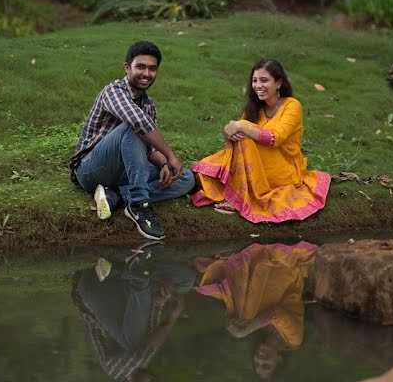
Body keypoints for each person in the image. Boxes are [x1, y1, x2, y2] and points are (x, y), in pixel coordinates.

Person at [71, 40, 195, 241]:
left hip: (124, 171)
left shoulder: (148, 106)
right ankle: (138, 203)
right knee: (133, 125)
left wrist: (164, 163)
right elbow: (137, 123)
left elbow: (145, 149)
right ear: (127, 67)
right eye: (141, 67)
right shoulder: (113, 91)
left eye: (152, 69)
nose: (146, 73)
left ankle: (117, 196)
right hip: (91, 169)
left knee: (184, 177)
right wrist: (170, 155)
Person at [190, 58, 330, 223]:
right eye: (255, 80)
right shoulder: (255, 107)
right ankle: (238, 191)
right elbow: (237, 132)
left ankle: (238, 200)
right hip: (254, 162)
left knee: (244, 139)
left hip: (282, 167)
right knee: (203, 173)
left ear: (278, 83)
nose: (258, 85)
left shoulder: (292, 106)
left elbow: (275, 138)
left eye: (264, 80)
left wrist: (242, 126)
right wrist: (229, 131)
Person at [193, 242, 319, 380]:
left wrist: (231, 321)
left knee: (241, 314)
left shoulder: (262, 332)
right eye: (266, 365)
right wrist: (249, 328)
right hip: (283, 271)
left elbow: (239, 306)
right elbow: (276, 314)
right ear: (280, 360)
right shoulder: (293, 339)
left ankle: (236, 261)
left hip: (258, 276)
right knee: (247, 314)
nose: (259, 359)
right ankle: (243, 259)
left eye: (257, 363)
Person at [72, 242, 195, 381]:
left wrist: (172, 319)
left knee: (134, 343)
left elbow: (145, 351)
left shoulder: (116, 372)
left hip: (92, 289)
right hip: (119, 283)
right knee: (186, 280)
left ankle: (134, 271)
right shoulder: (146, 353)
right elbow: (152, 315)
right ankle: (130, 267)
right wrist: (162, 296)